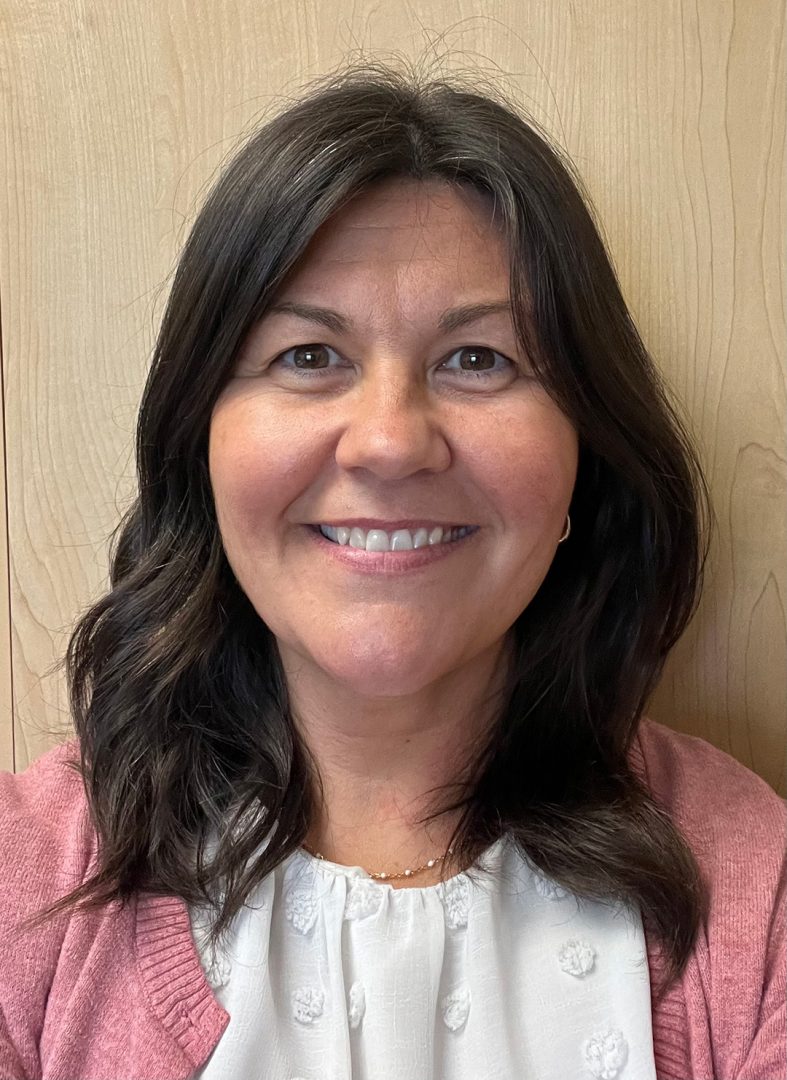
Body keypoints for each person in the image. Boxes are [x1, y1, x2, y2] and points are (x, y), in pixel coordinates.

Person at [0, 62, 784, 1080]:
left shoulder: (749, 881)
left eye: (479, 359)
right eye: (307, 356)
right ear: (199, 445)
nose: (387, 444)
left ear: (585, 459)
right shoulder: (28, 889)